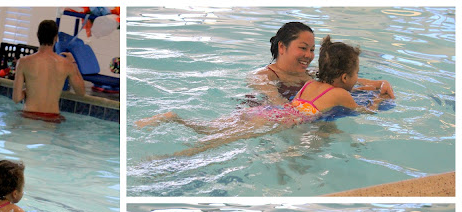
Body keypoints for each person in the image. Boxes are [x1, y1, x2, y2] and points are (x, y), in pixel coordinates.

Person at [136, 35, 393, 157]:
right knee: (217, 142)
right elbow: (366, 111)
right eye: (356, 74)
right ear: (346, 78)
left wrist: (373, 84)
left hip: (266, 111)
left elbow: (340, 88)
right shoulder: (341, 96)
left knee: (210, 128)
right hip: (281, 120)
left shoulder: (312, 82)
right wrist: (381, 98)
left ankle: (174, 118)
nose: (357, 79)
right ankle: (170, 158)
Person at [249, 22, 394, 106]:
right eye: (303, 48)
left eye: (312, 50)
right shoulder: (263, 76)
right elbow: (279, 106)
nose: (309, 55)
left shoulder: (309, 73)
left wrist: (381, 83)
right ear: (281, 47)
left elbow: (345, 78)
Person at [12, 20, 86, 123]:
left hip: (29, 115)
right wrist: (74, 63)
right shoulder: (67, 64)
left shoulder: (23, 62)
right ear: (56, 37)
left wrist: (28, 90)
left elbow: (16, 98)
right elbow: (81, 92)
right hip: (52, 118)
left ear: (37, 35)